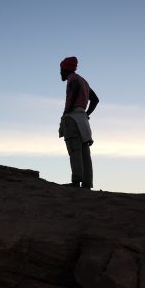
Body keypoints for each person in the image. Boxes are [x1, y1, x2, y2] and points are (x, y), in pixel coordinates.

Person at [58, 56, 100, 189]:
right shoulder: (84, 81)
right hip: (82, 119)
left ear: (66, 69)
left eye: (61, 69)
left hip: (72, 118)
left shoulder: (73, 80)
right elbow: (95, 99)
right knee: (84, 152)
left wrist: (68, 111)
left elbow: (75, 90)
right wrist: (86, 113)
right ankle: (87, 184)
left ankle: (76, 182)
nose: (60, 72)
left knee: (74, 150)